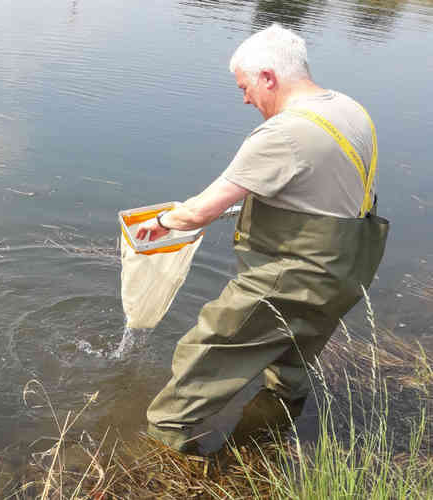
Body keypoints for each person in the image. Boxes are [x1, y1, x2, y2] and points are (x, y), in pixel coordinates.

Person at [135, 23, 389, 451]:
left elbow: (202, 210)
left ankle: (163, 446)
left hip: (295, 274)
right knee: (293, 356)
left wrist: (163, 222)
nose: (245, 98)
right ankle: (274, 430)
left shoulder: (283, 134)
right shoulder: (349, 109)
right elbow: (318, 188)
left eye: (246, 86)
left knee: (208, 346)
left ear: (269, 77)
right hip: (349, 268)